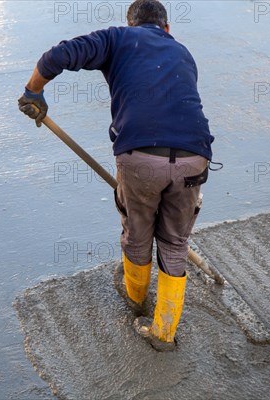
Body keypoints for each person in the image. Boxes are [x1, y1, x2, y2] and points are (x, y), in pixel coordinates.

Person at [18, 0, 214, 351]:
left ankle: (135, 300)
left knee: (138, 231)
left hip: (140, 156)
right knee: (174, 241)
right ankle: (164, 334)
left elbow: (57, 56)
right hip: (194, 157)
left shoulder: (117, 39)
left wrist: (33, 91)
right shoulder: (183, 52)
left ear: (131, 24)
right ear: (167, 29)